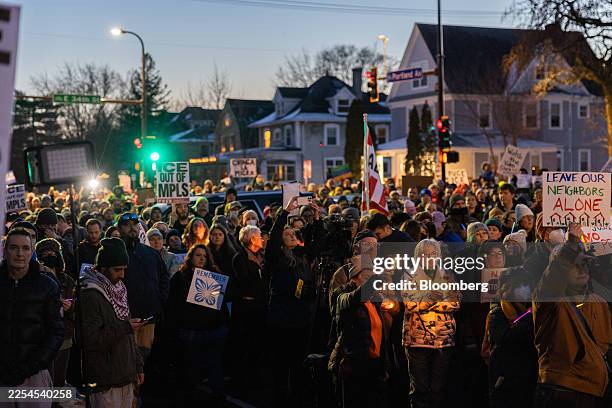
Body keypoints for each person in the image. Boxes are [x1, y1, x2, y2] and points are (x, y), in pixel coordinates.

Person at [532, 223, 612, 408]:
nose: (581, 269)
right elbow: (553, 276)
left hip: (597, 392)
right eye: (574, 264)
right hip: (563, 393)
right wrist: (571, 244)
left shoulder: (599, 302)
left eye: (584, 263)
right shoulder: (549, 301)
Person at [80, 238, 144, 408]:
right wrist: (126, 327)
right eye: (117, 270)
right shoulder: (90, 294)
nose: (122, 275)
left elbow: (129, 336)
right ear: (103, 267)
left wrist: (138, 366)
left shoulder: (119, 289)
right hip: (106, 382)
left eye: (124, 269)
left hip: (126, 375)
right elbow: (91, 340)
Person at [266, 197, 316, 407]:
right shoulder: (275, 258)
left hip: (301, 316)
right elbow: (273, 239)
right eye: (286, 234)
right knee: (281, 363)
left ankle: (298, 397)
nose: (291, 235)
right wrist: (285, 214)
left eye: (293, 233)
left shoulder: (301, 257)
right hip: (281, 317)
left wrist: (316, 218)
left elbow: (317, 242)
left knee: (298, 363)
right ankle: (279, 398)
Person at [0, 228, 64, 391]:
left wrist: (33, 366)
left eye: (25, 248)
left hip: (34, 376)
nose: (19, 253)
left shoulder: (47, 286)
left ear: (32, 252)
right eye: (14, 247)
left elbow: (55, 331)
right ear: (5, 251)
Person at [166, 244, 228, 406]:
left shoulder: (215, 275)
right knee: (190, 366)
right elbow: (173, 303)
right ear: (191, 257)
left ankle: (218, 396)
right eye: (198, 255)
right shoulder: (180, 277)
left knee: (214, 364)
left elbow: (221, 302)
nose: (201, 258)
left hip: (213, 329)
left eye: (204, 256)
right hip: (190, 330)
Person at [402, 239, 460, 408]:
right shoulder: (410, 275)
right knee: (419, 389)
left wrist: (426, 299)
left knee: (438, 389)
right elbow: (410, 303)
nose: (429, 258)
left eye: (433, 254)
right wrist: (432, 297)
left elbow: (455, 303)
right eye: (425, 254)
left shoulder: (447, 275)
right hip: (417, 340)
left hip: (443, 339)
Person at [333, 251, 388, 408]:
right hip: (355, 365)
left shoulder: (374, 299)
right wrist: (374, 281)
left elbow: (379, 332)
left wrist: (384, 365)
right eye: (367, 273)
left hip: (374, 365)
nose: (371, 276)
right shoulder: (342, 295)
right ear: (355, 276)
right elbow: (353, 299)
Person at [118, 212, 169, 363]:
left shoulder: (151, 253)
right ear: (120, 229)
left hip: (149, 316)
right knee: (127, 359)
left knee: (145, 357)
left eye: (135, 224)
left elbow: (164, 278)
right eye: (127, 225)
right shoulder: (116, 253)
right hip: (125, 319)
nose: (132, 228)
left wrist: (160, 300)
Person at [485, 268, 538, 408]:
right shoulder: (498, 313)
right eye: (518, 285)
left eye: (526, 284)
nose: (523, 289)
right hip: (505, 378)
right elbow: (506, 339)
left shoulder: (533, 309)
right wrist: (528, 318)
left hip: (528, 376)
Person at [230, 225, 267, 397]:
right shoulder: (240, 258)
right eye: (259, 236)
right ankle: (243, 381)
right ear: (251, 239)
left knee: (258, 344)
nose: (262, 239)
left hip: (260, 307)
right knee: (245, 344)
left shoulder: (262, 256)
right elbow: (245, 282)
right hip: (246, 309)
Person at [36, 238, 76, 389]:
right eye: (45, 253)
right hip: (43, 339)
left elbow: (77, 309)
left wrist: (70, 307)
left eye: (53, 253)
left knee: (59, 380)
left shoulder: (68, 281)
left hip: (64, 337)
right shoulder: (37, 280)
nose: (49, 256)